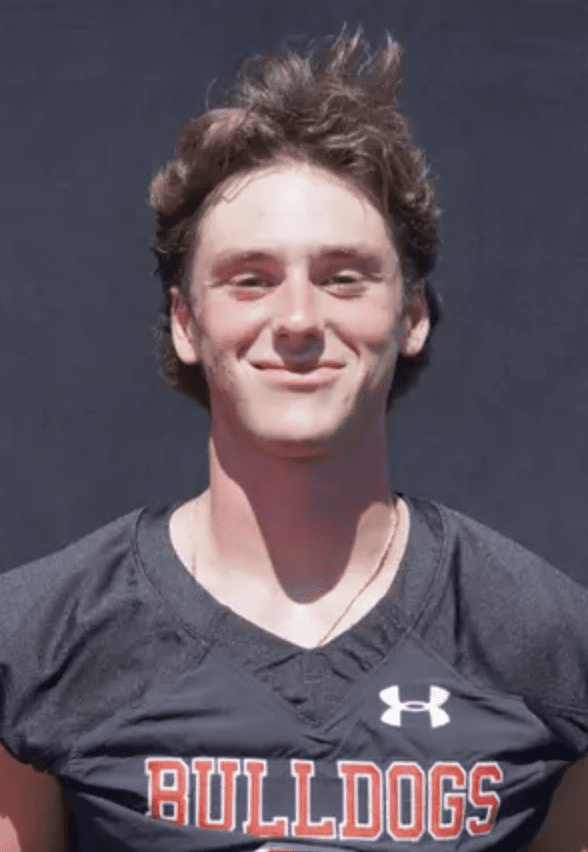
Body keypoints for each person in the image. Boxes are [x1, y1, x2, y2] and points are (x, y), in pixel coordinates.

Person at [0, 28, 587, 852]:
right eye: (251, 280)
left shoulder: (548, 648)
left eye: (344, 277)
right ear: (186, 322)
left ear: (412, 314)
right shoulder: (37, 647)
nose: (300, 320)